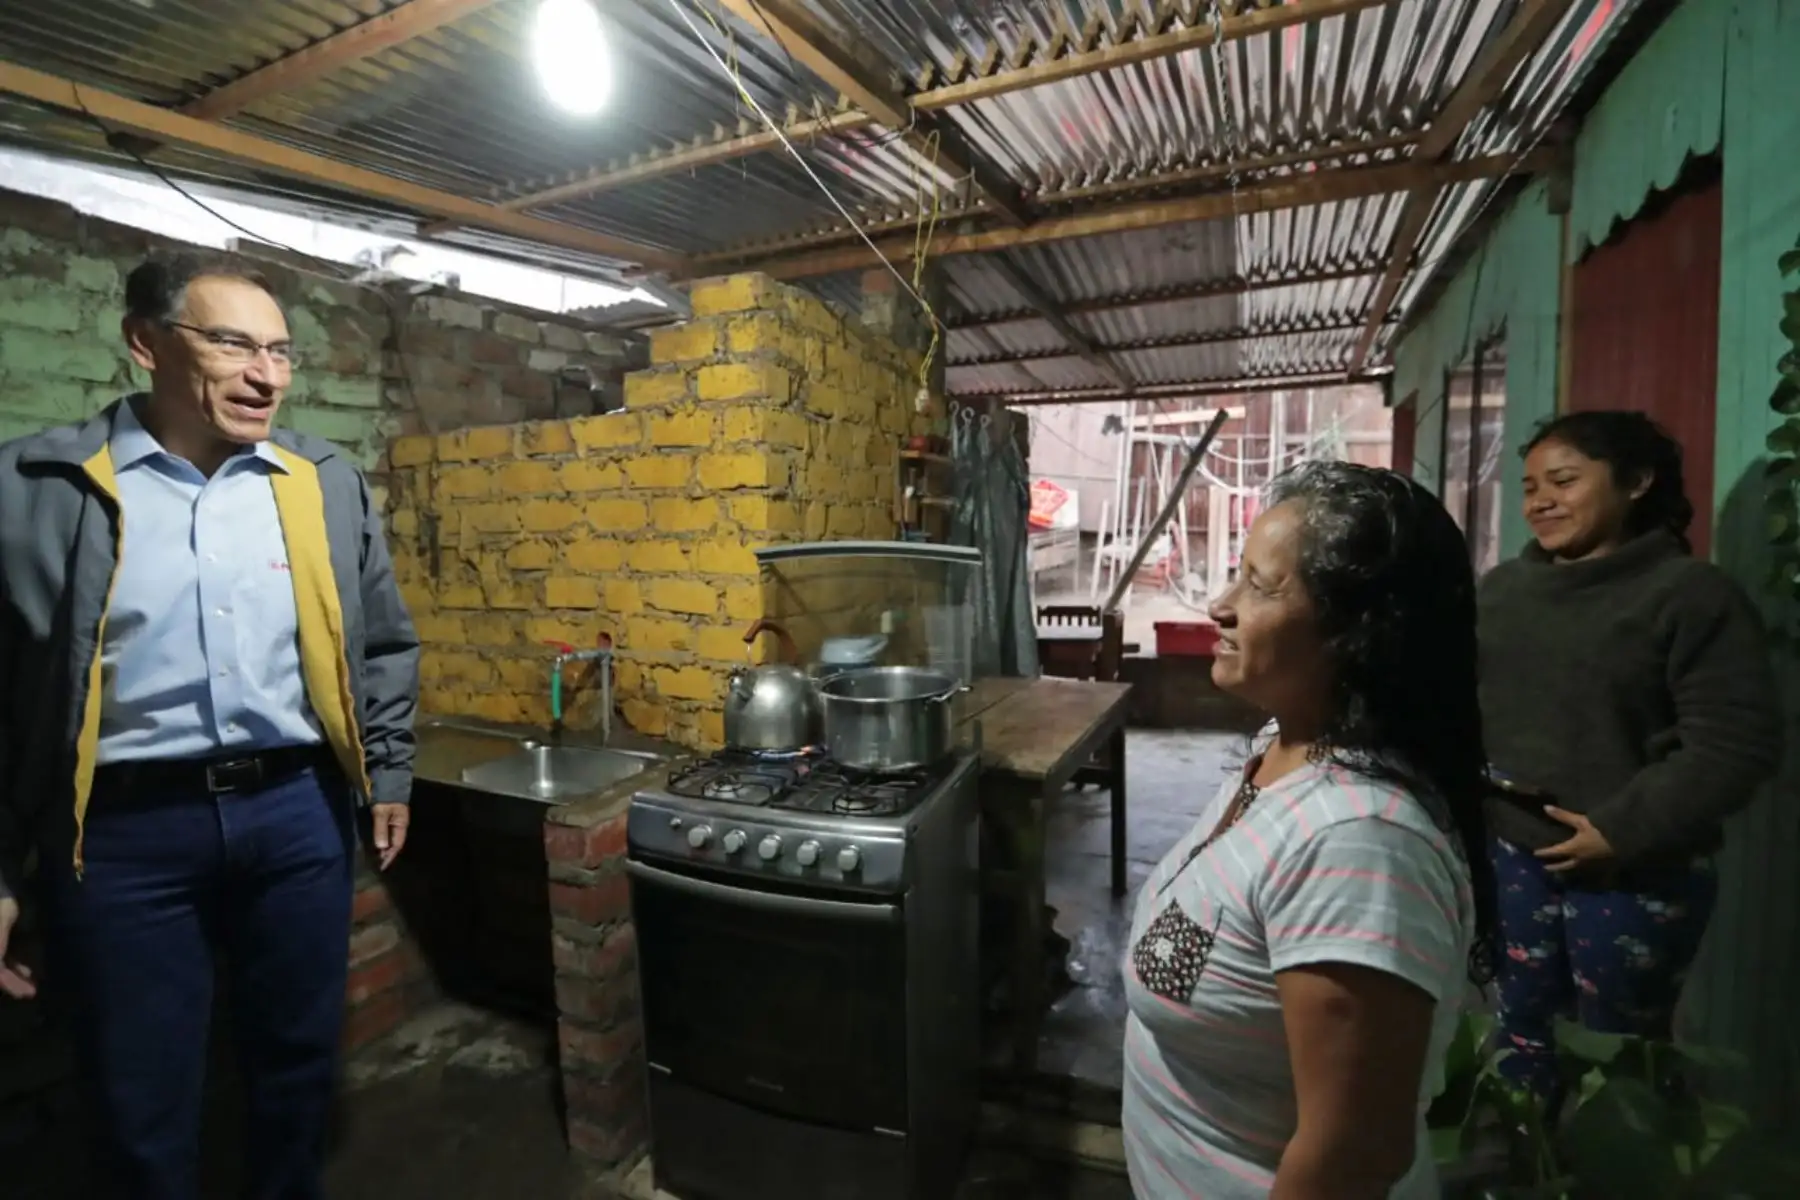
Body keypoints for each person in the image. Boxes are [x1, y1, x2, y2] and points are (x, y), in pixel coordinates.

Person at [0, 254, 421, 1198]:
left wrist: (387, 772)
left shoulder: (320, 483)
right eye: (231, 342)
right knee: (141, 1091)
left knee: (297, 1063)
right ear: (145, 342)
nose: (264, 372)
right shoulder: (37, 487)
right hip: (121, 837)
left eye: (279, 350)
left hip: (296, 814)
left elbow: (383, 643)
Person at [1122, 461, 1494, 1200]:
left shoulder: (1358, 841)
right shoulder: (1282, 746)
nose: (1220, 605)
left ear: (1357, 631)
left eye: (1261, 587)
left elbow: (1351, 1156)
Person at [1478, 410, 1779, 1101]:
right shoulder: (1502, 593)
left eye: (1564, 480)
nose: (1540, 501)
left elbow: (1735, 742)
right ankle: (1524, 1166)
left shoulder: (1690, 596)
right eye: (1529, 487)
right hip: (1516, 856)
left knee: (1618, 1055)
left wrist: (1621, 830)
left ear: (1637, 481)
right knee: (1519, 1030)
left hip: (1635, 868)